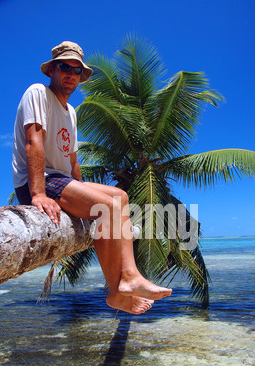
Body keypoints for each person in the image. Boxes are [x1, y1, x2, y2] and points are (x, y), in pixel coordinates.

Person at [12, 41, 172, 315]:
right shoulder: (38, 92)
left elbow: (72, 160)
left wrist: (83, 188)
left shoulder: (70, 113)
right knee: (106, 208)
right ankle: (117, 290)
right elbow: (33, 141)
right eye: (65, 67)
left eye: (76, 70)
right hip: (38, 182)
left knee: (120, 197)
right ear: (52, 69)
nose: (71, 74)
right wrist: (37, 193)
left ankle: (127, 281)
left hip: (61, 180)